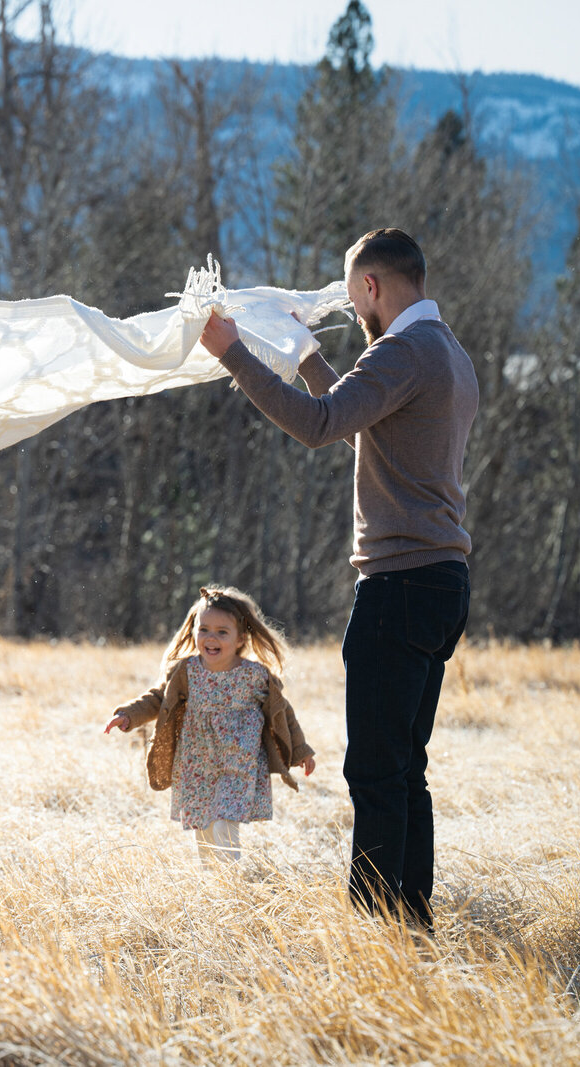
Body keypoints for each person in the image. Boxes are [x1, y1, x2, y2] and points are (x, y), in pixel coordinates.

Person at [198, 228, 478, 926]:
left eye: (355, 300)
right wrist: (308, 356)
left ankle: (379, 926)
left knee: (377, 771)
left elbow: (321, 423)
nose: (354, 312)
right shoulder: (446, 353)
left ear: (374, 286)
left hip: (400, 584)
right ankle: (410, 920)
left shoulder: (402, 351)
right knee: (403, 766)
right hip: (440, 579)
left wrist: (231, 352)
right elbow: (361, 420)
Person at [104, 585, 315, 866]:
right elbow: (158, 698)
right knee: (203, 825)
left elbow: (282, 712)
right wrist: (128, 715)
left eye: (221, 632)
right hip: (195, 763)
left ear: (241, 638)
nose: (211, 638)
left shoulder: (254, 676)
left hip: (238, 763)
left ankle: (231, 883)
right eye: (204, 630)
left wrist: (301, 750)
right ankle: (212, 881)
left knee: (223, 821)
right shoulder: (186, 671)